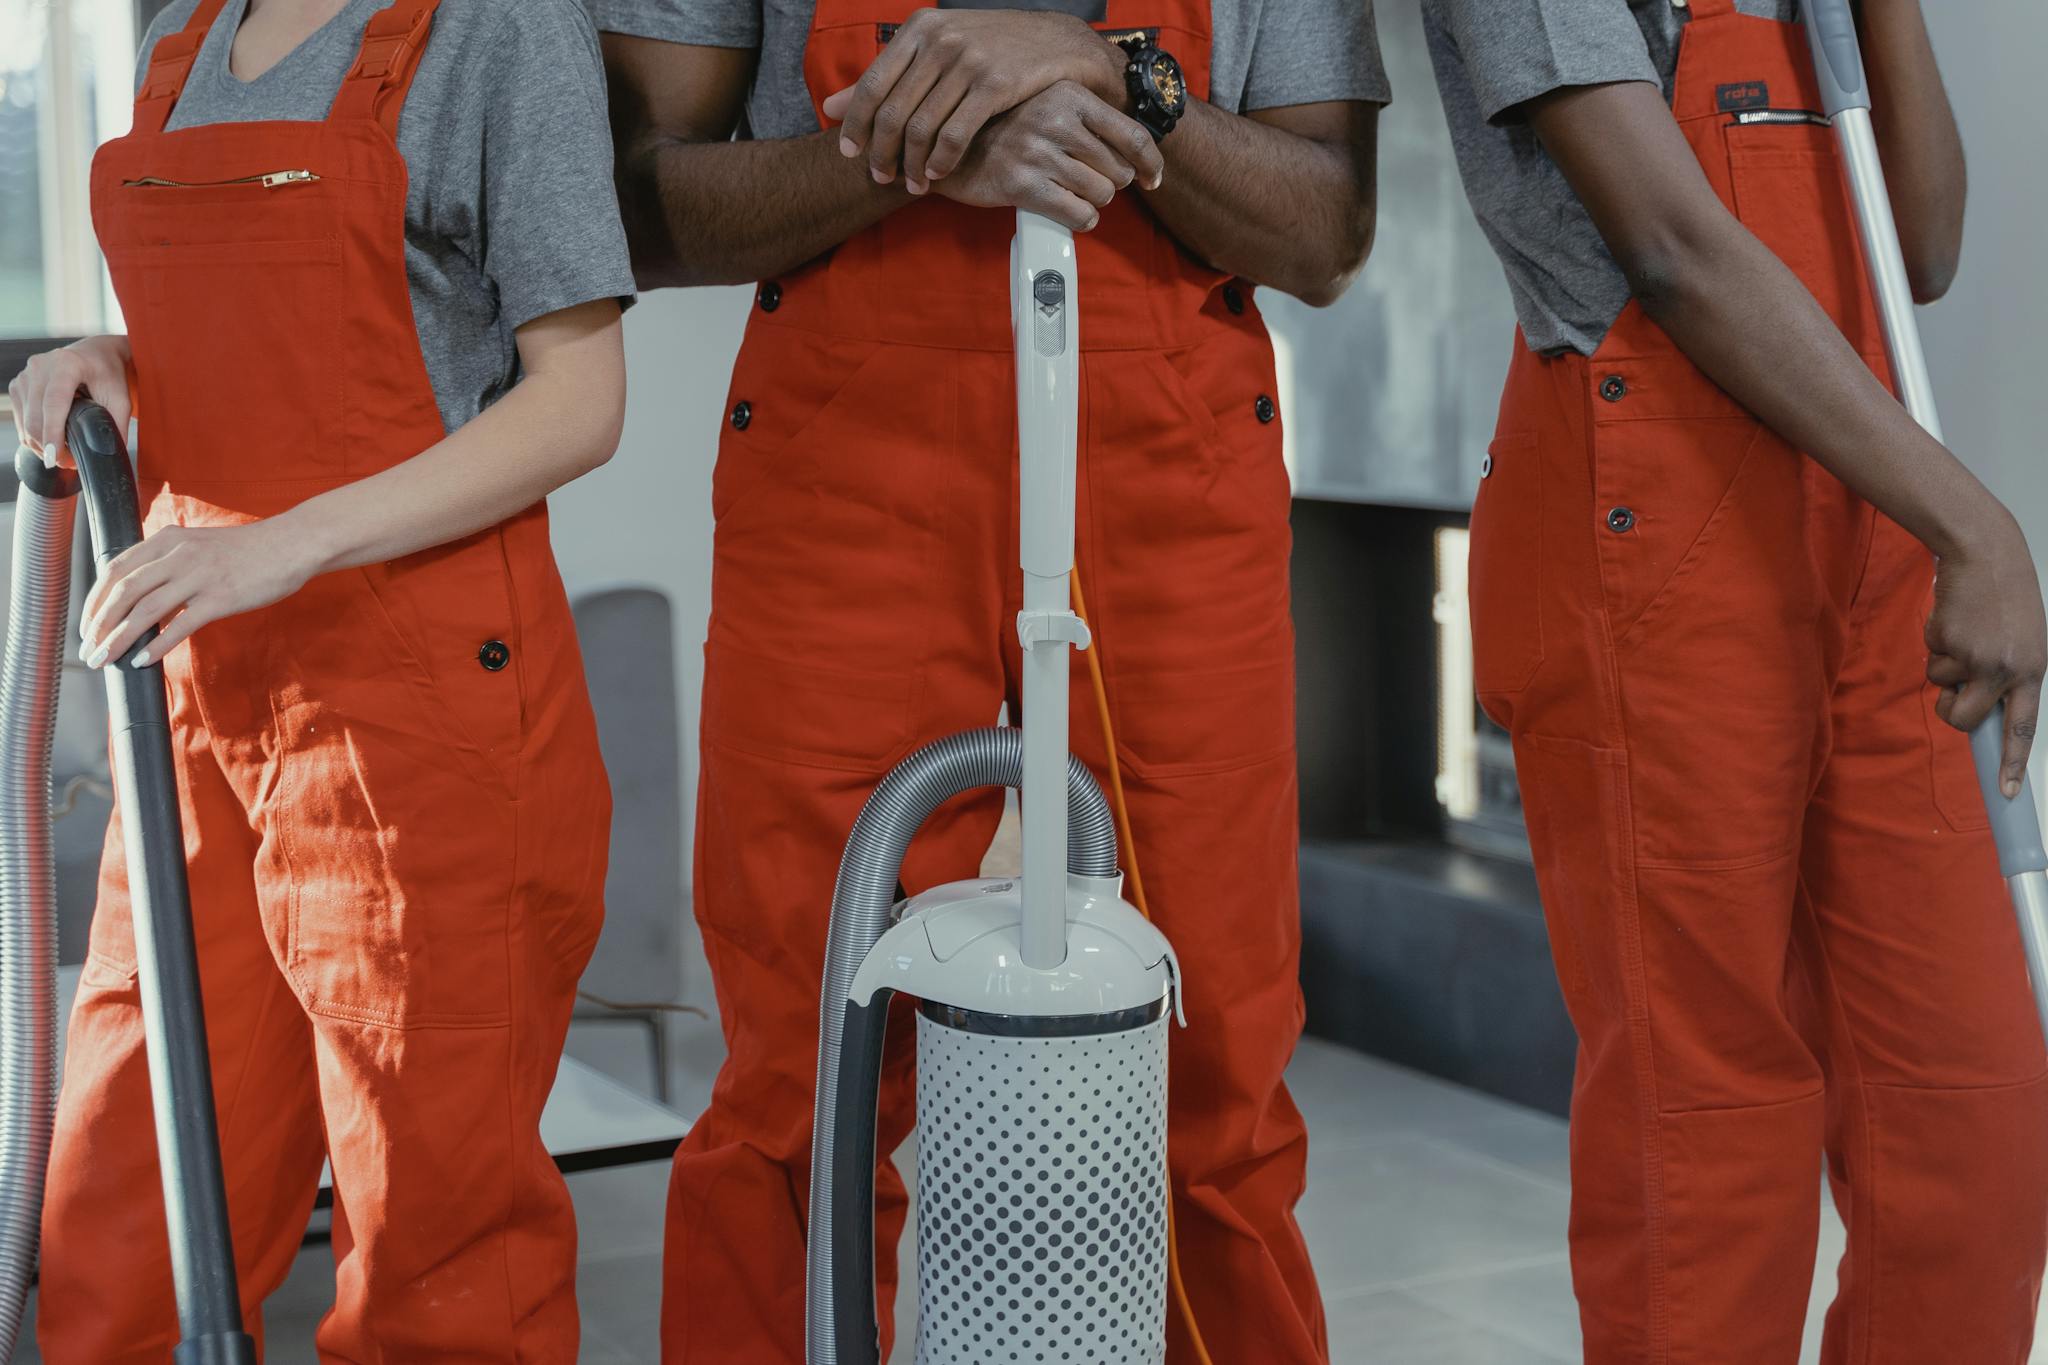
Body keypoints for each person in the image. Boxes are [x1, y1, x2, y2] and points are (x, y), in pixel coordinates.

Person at [591, 1, 1386, 1359]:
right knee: (806, 1061)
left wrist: (1110, 72)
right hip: (849, 476)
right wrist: (921, 145)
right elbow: (641, 207)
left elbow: (1324, 231)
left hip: (1171, 478)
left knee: (1215, 1072)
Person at [5, 0, 634, 1357]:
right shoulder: (182, 37)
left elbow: (581, 399)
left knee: (436, 1245)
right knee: (129, 1194)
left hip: (417, 713)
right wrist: (116, 367)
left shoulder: (498, 32)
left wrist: (287, 544)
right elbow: (228, 355)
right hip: (197, 695)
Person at [1421, 0, 2048, 1358]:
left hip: (1868, 535)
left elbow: (1920, 247)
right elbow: (1673, 246)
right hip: (1651, 524)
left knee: (1970, 1113)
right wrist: (1974, 523)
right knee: (1705, 1148)